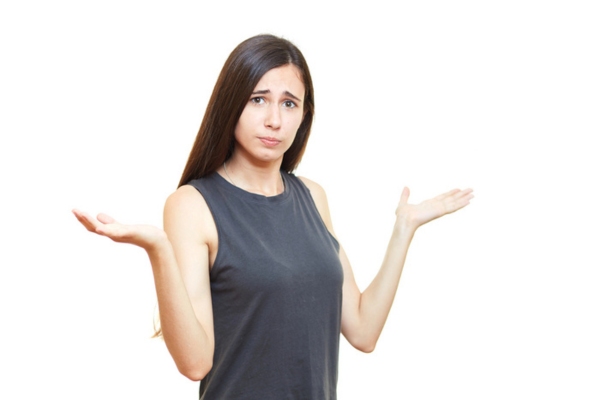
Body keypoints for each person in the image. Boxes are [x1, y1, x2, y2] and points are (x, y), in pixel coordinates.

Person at [73, 34, 473, 399]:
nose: (274, 120)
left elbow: (364, 330)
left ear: (303, 116)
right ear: (232, 104)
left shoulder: (313, 196)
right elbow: (195, 363)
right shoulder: (192, 204)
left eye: (289, 103)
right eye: (257, 99)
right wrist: (159, 249)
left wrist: (404, 230)